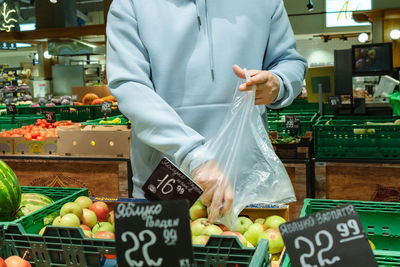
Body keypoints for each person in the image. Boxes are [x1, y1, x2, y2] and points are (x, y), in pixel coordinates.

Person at [106, 0, 307, 221]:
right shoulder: (131, 4)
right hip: (165, 181)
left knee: (253, 251)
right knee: (167, 254)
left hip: (248, 181)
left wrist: (279, 82)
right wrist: (193, 154)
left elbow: (289, 60)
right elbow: (130, 85)